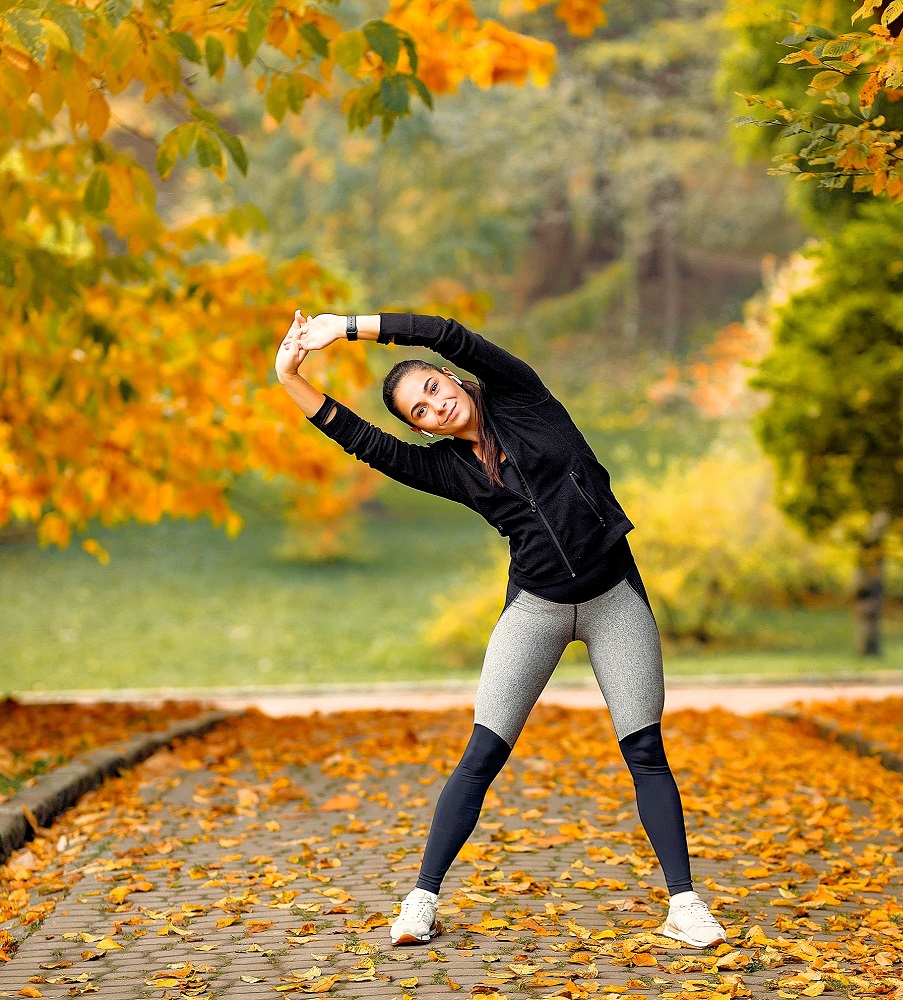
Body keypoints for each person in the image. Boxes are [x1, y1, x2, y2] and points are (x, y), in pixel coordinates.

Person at [275, 309, 727, 950]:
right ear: (421, 428)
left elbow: (445, 331)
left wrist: (347, 328)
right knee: (481, 755)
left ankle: (684, 906)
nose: (435, 407)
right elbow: (362, 441)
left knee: (646, 752)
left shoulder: (521, 396)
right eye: (420, 413)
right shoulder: (448, 468)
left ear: (448, 378)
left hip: (612, 598)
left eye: (433, 389)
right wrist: (288, 375)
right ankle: (421, 899)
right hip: (536, 608)